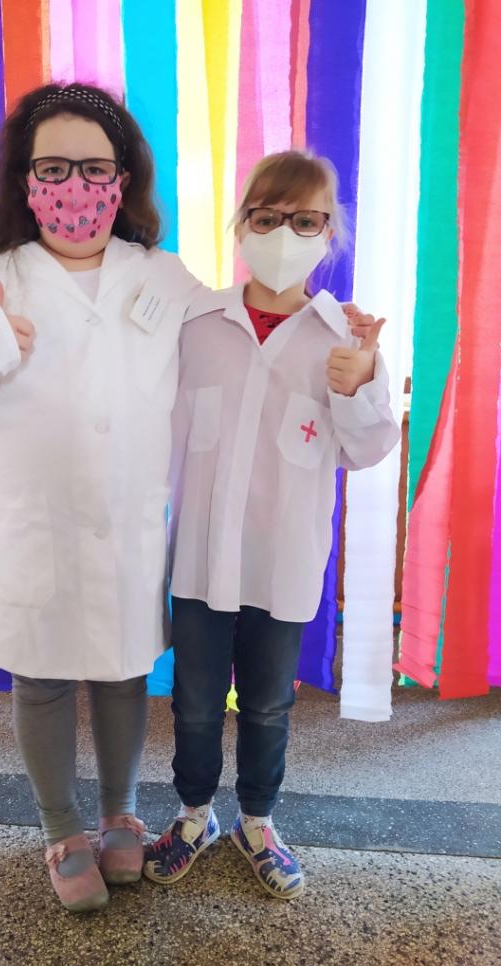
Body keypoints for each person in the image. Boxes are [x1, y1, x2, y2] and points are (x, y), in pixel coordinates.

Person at [0, 83, 201, 912]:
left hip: (130, 521)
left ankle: (120, 813)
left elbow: (229, 353)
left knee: (121, 674)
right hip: (36, 525)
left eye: (94, 169)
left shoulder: (164, 276)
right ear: (25, 179)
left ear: (123, 179)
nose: (76, 187)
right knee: (40, 678)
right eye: (54, 168)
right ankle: (61, 828)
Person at [143, 150, 400, 900]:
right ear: (241, 226)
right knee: (194, 703)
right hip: (199, 561)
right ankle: (194, 815)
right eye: (267, 217)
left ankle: (257, 821)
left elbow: (367, 449)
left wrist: (360, 384)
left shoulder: (343, 337)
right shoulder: (199, 323)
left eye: (305, 220)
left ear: (330, 232)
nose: (284, 233)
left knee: (266, 704)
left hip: (281, 560)